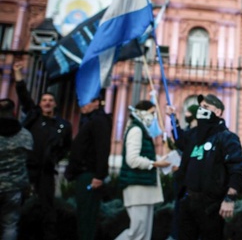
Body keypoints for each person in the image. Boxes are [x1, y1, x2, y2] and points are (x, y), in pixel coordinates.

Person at [166, 94, 242, 240]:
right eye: (200, 107)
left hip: (211, 207)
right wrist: (174, 119)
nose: (200, 110)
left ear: (217, 112)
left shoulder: (226, 137)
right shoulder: (194, 135)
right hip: (188, 202)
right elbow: (180, 141)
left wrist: (230, 198)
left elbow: (238, 168)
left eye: (206, 107)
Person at [13, 61, 72, 240]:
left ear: (55, 104)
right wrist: (17, 73)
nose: (47, 103)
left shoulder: (63, 125)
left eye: (50, 101)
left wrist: (54, 158)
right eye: (44, 100)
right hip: (26, 168)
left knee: (47, 207)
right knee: (17, 203)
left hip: (46, 170)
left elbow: (66, 146)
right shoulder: (34, 116)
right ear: (40, 104)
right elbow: (23, 95)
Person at [115, 100, 171, 240]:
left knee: (144, 234)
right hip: (137, 187)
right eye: (152, 113)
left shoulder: (142, 130)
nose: (153, 117)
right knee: (137, 232)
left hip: (144, 187)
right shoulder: (136, 130)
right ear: (143, 113)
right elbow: (132, 159)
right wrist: (155, 163)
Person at [64, 97, 112, 240]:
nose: (82, 104)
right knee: (84, 215)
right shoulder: (91, 120)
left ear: (96, 103)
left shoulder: (99, 120)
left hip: (90, 176)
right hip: (85, 174)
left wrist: (99, 175)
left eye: (86, 101)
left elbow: (103, 148)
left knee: (87, 216)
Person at [0, 98, 33, 240]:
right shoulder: (25, 135)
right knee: (10, 225)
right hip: (14, 187)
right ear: (14, 112)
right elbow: (29, 160)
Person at [166, 103, 199, 240]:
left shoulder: (199, 133)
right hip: (182, 178)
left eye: (188, 112)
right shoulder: (188, 131)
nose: (186, 114)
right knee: (179, 210)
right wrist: (173, 118)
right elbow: (179, 139)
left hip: (192, 180)